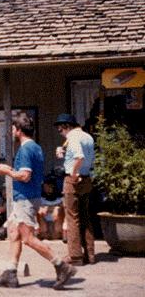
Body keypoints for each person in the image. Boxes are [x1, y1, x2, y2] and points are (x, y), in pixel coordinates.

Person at [0, 114, 76, 290]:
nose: (11, 131)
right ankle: (11, 273)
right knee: (14, 233)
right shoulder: (36, 147)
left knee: (28, 238)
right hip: (31, 196)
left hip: (25, 199)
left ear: (19, 130)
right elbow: (26, 173)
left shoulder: (24, 149)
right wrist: (11, 170)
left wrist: (6, 172)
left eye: (13, 128)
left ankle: (61, 265)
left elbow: (24, 175)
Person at [54, 113, 95, 265]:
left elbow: (79, 157)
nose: (61, 132)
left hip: (74, 180)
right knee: (85, 216)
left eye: (60, 129)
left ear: (66, 126)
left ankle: (75, 256)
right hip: (86, 178)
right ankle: (90, 254)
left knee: (72, 218)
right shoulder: (87, 137)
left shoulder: (73, 137)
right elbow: (87, 158)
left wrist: (73, 173)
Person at [37, 176, 65, 240]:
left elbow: (64, 207)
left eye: (50, 186)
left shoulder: (60, 199)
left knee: (59, 210)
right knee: (38, 211)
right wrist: (40, 209)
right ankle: (41, 232)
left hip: (56, 223)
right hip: (44, 223)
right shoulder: (40, 199)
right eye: (45, 186)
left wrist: (57, 208)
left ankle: (59, 233)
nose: (48, 188)